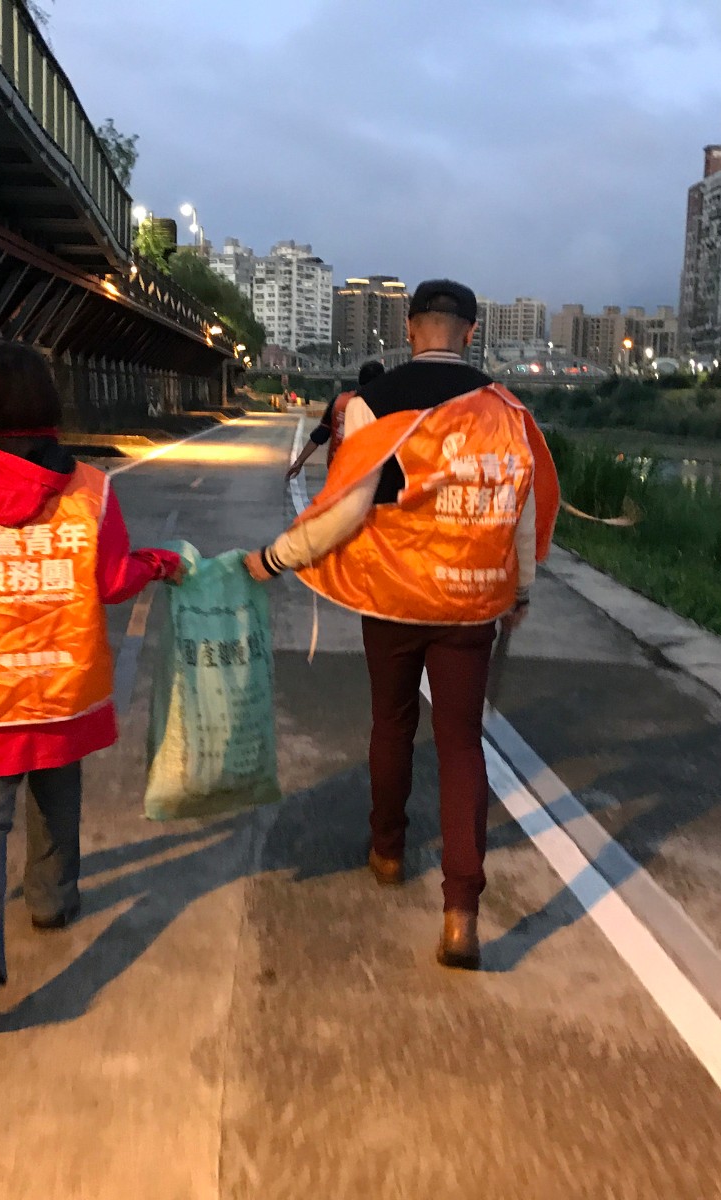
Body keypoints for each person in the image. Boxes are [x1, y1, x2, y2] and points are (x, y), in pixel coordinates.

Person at [244, 279, 558, 970]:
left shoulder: (372, 406)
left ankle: (387, 850)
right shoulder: (505, 410)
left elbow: (347, 509)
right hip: (472, 602)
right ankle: (460, 912)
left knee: (391, 725)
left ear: (411, 328)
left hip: (391, 598)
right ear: (471, 333)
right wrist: (521, 591)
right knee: (460, 746)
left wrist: (275, 558)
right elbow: (521, 506)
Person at [0, 343, 183, 1036]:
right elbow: (112, 582)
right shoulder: (90, 491)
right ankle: (51, 901)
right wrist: (160, 564)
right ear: (49, 407)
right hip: (62, 685)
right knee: (57, 793)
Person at [285, 360, 385, 480]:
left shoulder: (339, 401)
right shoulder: (384, 406)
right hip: (370, 474)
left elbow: (320, 434)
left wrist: (299, 461)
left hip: (339, 472)